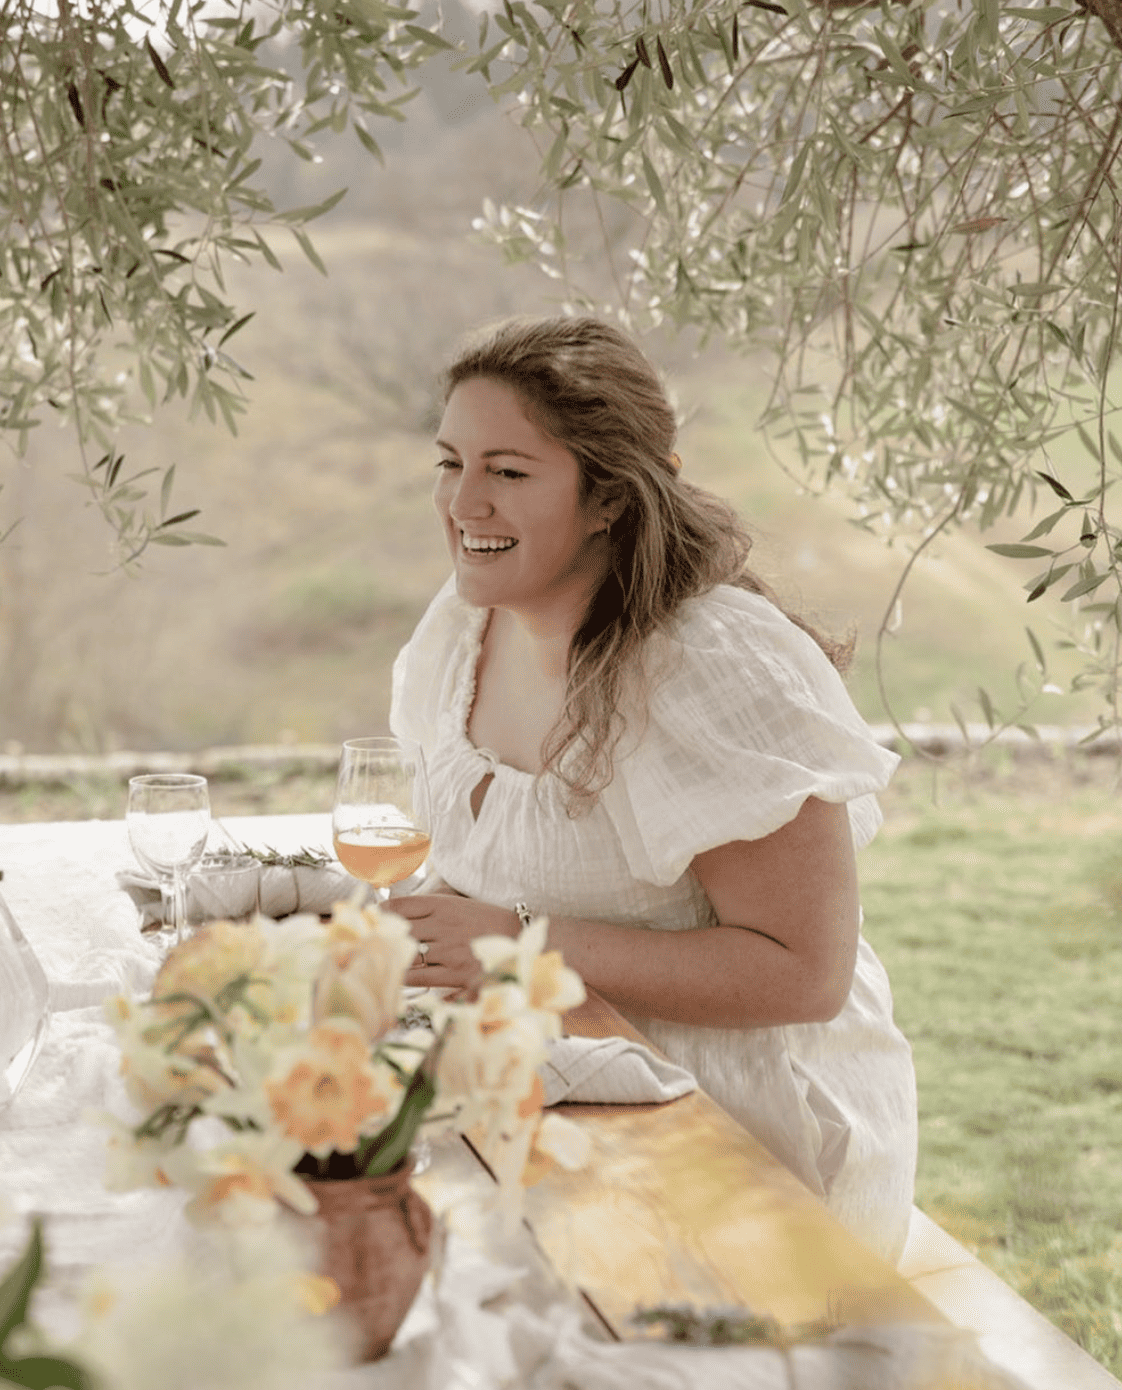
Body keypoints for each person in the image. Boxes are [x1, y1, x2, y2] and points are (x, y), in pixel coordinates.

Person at [386, 316, 917, 1263]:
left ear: (610, 499)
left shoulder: (712, 668)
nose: (464, 501)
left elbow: (805, 973)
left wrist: (517, 944)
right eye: (450, 461)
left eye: (507, 471)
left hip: (733, 1143)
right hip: (544, 1088)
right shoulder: (466, 625)